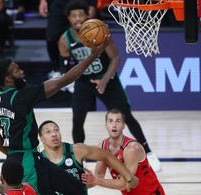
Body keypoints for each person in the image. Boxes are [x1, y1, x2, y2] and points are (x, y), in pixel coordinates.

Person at [0, 37, 120, 195]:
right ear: (8, 78)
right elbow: (64, 80)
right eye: (17, 70)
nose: (22, 71)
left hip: (25, 157)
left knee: (76, 188)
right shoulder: (22, 96)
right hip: (28, 160)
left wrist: (10, 153)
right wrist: (94, 55)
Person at [58, 0, 162, 172]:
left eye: (81, 14)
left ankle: (149, 153)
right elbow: (66, 66)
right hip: (84, 82)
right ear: (68, 18)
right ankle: (79, 160)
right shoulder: (64, 39)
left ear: (87, 15)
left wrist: (105, 80)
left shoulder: (100, 31)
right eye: (73, 15)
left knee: (126, 116)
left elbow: (116, 58)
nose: (77, 18)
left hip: (108, 80)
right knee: (77, 120)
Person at [38, 120, 139, 195]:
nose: (54, 134)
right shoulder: (38, 161)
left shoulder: (77, 150)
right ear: (42, 139)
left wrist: (129, 177)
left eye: (56, 130)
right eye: (48, 132)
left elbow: (107, 156)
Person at [81, 109, 167, 195]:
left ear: (123, 126)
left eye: (118, 121)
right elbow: (98, 176)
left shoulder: (132, 148)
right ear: (106, 126)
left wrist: (96, 180)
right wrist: (81, 183)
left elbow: (125, 184)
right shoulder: (102, 146)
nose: (114, 125)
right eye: (110, 121)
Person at [38, 0, 98, 80]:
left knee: (86, 33)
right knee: (52, 36)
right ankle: (58, 70)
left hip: (83, 2)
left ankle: (89, 71)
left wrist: (92, 5)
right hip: (59, 3)